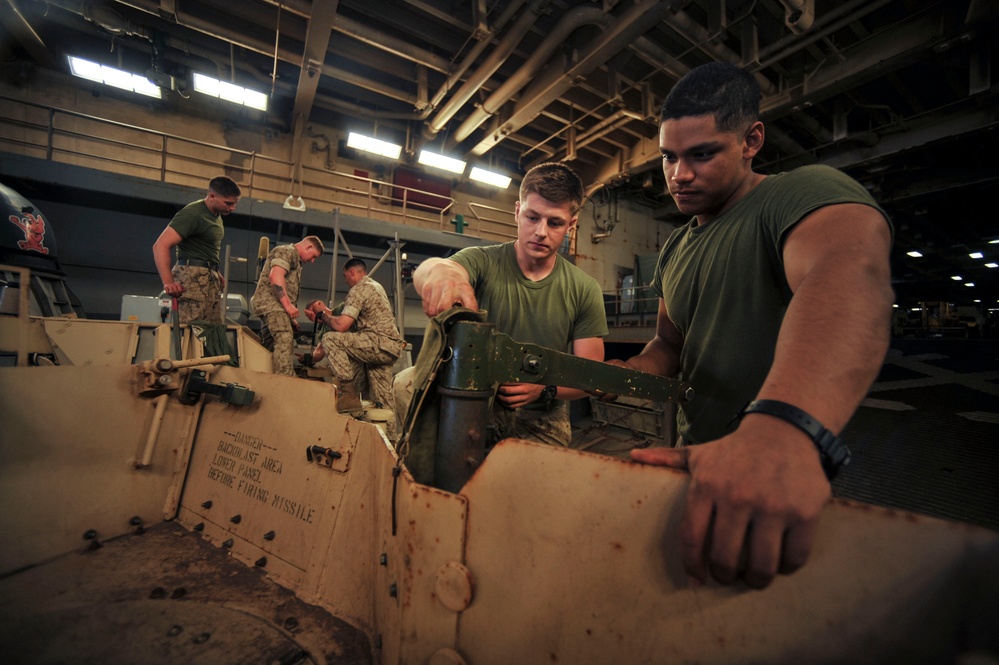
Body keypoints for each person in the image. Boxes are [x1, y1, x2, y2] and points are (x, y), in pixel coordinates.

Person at [612, 62, 894, 589]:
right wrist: (622, 374)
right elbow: (669, 343)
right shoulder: (676, 247)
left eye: (702, 154)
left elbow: (851, 273)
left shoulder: (795, 195)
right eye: (670, 157)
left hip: (780, 472)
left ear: (751, 140)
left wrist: (784, 429)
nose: (680, 175)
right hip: (697, 461)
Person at [402, 161, 608, 450]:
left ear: (571, 225)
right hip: (473, 403)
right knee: (404, 388)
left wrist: (543, 389)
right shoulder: (483, 261)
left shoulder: (584, 289)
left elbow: (589, 374)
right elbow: (436, 267)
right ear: (516, 212)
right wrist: (441, 274)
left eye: (555, 222)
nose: (540, 232)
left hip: (543, 416)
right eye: (532, 217)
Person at [306, 259, 406, 435]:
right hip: (389, 347)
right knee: (380, 400)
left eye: (345, 277)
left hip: (377, 342)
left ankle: (348, 393)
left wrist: (322, 316)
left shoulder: (358, 289)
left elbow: (341, 325)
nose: (346, 281)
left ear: (352, 273)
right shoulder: (376, 286)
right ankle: (389, 442)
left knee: (331, 339)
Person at [152, 175, 242, 323]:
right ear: (212, 196)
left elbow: (204, 247)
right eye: (228, 203)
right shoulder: (193, 213)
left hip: (208, 278)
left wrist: (215, 272)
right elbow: (160, 245)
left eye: (235, 203)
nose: (232, 208)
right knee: (191, 331)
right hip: (191, 278)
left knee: (212, 330)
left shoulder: (216, 216)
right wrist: (168, 283)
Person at [250, 236, 325, 376]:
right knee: (284, 339)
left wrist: (290, 317)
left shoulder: (295, 260)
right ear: (308, 247)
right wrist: (288, 306)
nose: (312, 261)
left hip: (273, 306)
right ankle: (284, 381)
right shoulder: (287, 251)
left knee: (271, 345)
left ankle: (266, 377)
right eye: (313, 256)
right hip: (272, 305)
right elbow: (275, 277)